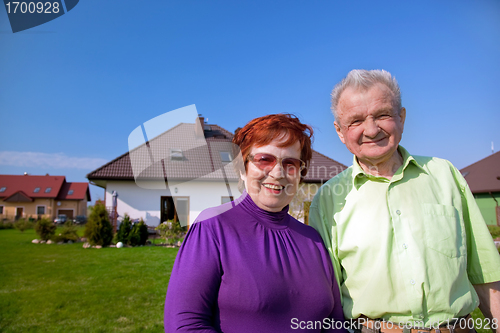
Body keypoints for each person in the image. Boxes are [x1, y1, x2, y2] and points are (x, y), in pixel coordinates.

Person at [309, 69, 500, 333]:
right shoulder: (327, 200)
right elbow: (326, 300)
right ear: (340, 131)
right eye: (355, 121)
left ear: (402, 117)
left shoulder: (445, 174)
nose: (372, 129)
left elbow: (485, 272)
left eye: (383, 115)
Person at [164, 114, 346, 332]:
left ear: (300, 174)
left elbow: (335, 323)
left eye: (290, 163)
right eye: (264, 160)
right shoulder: (212, 228)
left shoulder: (313, 239)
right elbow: (185, 325)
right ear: (242, 169)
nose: (278, 173)